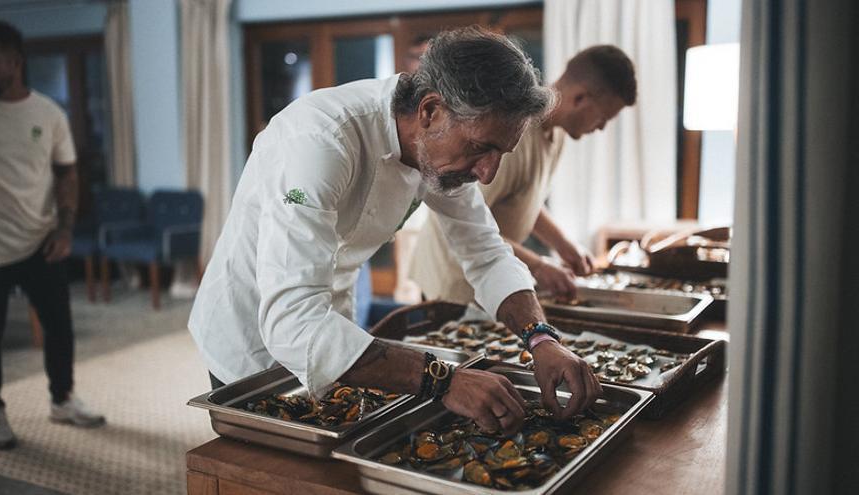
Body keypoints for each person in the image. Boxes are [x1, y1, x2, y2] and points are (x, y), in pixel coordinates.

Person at [189, 27, 602, 436]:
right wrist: (444, 380)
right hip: (252, 331)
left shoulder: (440, 149)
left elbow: (487, 253)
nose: (488, 173)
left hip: (333, 323)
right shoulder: (320, 140)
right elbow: (292, 321)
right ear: (430, 110)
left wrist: (541, 339)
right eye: (480, 148)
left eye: (500, 153)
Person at [410, 45, 637, 304]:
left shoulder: (557, 134)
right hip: (454, 283)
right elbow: (462, 224)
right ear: (580, 99)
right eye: (604, 117)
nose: (601, 128)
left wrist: (563, 244)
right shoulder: (511, 138)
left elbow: (522, 199)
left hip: (487, 274)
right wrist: (538, 266)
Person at [0, 19, 105, 462]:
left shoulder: (49, 114)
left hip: (40, 241)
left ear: (16, 61)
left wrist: (65, 228)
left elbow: (66, 172)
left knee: (59, 327)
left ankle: (61, 399)